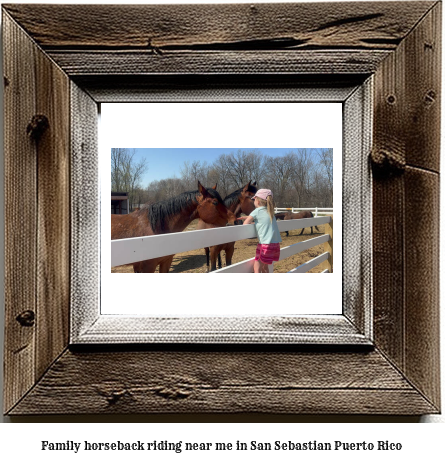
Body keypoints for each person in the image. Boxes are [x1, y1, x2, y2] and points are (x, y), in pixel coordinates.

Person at [243, 188, 282, 273]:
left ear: (258, 201)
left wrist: (249, 219)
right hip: (275, 244)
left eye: (254, 199)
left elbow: (245, 224)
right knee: (265, 266)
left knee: (257, 263)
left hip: (265, 243)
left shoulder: (256, 211)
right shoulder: (270, 212)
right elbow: (263, 222)